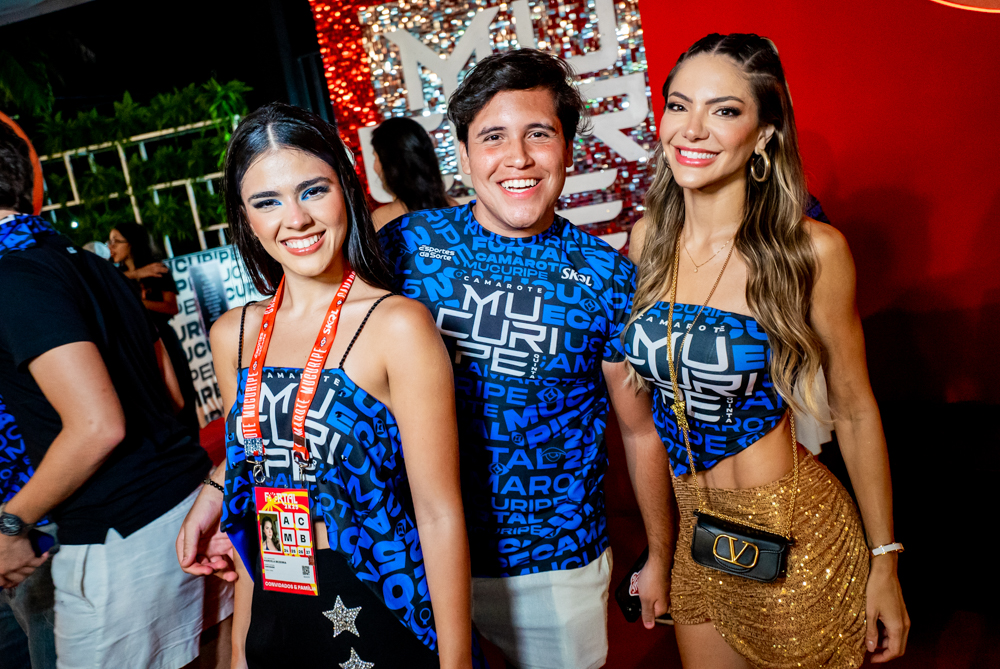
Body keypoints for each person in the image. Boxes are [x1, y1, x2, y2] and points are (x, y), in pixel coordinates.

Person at [378, 49, 671, 669]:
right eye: (493, 137)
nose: (518, 158)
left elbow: (641, 430)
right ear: (463, 155)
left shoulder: (608, 278)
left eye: (539, 134)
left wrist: (661, 551)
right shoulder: (406, 247)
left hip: (556, 564)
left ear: (567, 150)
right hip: (415, 556)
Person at [623, 33, 909, 668]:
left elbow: (857, 411)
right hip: (701, 533)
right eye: (678, 105)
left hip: (795, 535)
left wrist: (884, 563)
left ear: (763, 134)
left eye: (724, 110)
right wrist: (659, 548)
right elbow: (637, 417)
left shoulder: (811, 251)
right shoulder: (647, 241)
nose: (691, 129)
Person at [208, 102, 478, 668]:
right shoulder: (232, 335)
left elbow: (439, 513)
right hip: (278, 600)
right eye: (267, 201)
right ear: (246, 217)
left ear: (346, 190)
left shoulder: (398, 325)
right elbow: (253, 499)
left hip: (380, 600)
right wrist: (239, 650)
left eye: (312, 190)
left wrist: (455, 663)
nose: (296, 219)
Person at [0, 121, 229, 669]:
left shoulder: (11, 279)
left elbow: (99, 425)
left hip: (112, 541)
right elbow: (171, 395)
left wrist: (9, 523)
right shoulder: (92, 265)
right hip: (185, 509)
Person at [108, 222, 199, 431]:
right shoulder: (115, 274)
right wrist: (136, 275)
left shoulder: (157, 269)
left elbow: (171, 307)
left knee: (180, 393)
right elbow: (100, 280)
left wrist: (137, 302)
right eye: (109, 242)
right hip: (135, 344)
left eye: (116, 242)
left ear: (132, 244)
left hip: (163, 339)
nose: (111, 247)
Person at [370, 116, 457, 229]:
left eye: (375, 157)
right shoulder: (454, 209)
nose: (374, 167)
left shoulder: (382, 220)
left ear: (390, 165)